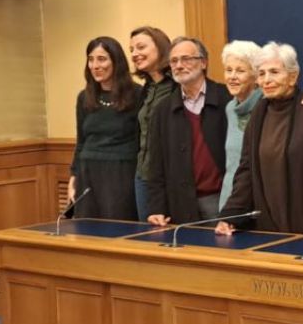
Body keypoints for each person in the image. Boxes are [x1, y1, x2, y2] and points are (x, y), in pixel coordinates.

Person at [217, 42, 303, 235]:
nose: (266, 80)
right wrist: (231, 217)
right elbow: (246, 170)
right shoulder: (259, 111)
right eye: (261, 73)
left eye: (274, 72)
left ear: (293, 77)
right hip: (268, 227)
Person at [147, 36, 229, 225]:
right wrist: (156, 208)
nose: (179, 65)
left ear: (203, 62)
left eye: (186, 59)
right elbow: (155, 165)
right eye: (174, 61)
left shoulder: (227, 99)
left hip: (220, 202)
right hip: (180, 206)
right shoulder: (163, 109)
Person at [69, 37, 142, 220]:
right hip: (88, 174)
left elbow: (141, 141)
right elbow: (81, 141)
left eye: (102, 59)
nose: (95, 65)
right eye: (91, 59)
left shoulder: (137, 94)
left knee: (119, 230)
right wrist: (73, 177)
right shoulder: (84, 97)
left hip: (122, 174)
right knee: (87, 232)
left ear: (116, 61)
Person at [130, 26, 175, 222]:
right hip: (142, 175)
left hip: (168, 178)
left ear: (160, 47)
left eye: (141, 47)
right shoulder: (144, 90)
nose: (135, 54)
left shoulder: (177, 87)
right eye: (131, 49)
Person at [218, 40, 264, 211]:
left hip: (257, 201)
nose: (232, 77)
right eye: (228, 70)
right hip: (231, 197)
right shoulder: (230, 108)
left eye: (240, 70)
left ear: (256, 76)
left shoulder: (268, 106)